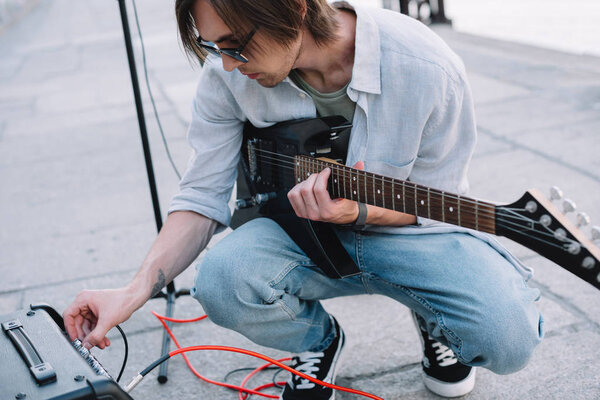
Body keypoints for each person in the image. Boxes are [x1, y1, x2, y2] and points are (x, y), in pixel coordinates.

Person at [63, 0, 544, 399]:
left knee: (510, 337)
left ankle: (436, 320)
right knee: (222, 280)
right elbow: (201, 194)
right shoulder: (227, 77)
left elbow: (440, 204)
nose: (228, 64)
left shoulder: (427, 68)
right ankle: (317, 340)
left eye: (235, 46)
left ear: (292, 8)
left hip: (406, 235)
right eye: (214, 48)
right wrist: (132, 293)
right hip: (295, 235)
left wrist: (359, 210)